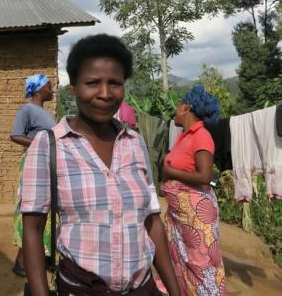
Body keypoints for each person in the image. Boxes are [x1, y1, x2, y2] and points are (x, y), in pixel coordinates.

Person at [20, 34, 180, 296]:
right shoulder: (49, 145)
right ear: (73, 87)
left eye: (115, 83)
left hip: (143, 288)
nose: (105, 94)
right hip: (82, 288)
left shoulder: (135, 143)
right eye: (93, 83)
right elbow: (33, 230)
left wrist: (175, 291)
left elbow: (152, 221)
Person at [162, 85, 226, 296]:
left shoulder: (201, 136)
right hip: (181, 217)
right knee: (182, 262)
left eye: (178, 104)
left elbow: (204, 176)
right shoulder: (184, 136)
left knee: (201, 266)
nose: (175, 109)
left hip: (197, 217)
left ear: (186, 107)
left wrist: (170, 171)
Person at [10, 74, 56, 277]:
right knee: (31, 209)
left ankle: (43, 257)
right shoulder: (27, 109)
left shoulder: (44, 112)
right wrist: (40, 144)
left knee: (46, 209)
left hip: (45, 164)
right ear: (38, 89)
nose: (52, 90)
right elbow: (15, 135)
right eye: (49, 86)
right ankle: (21, 262)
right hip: (33, 164)